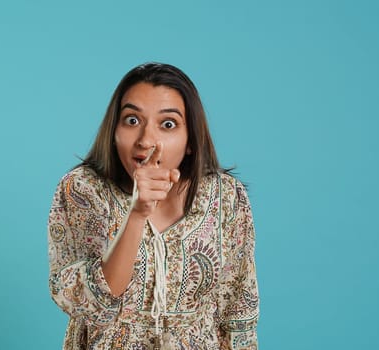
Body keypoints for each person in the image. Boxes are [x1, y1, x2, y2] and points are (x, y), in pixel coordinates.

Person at [47, 63, 259, 350]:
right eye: (132, 120)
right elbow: (85, 303)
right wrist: (137, 214)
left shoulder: (225, 197)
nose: (146, 140)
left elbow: (239, 310)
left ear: (190, 141)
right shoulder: (83, 190)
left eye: (167, 124)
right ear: (114, 131)